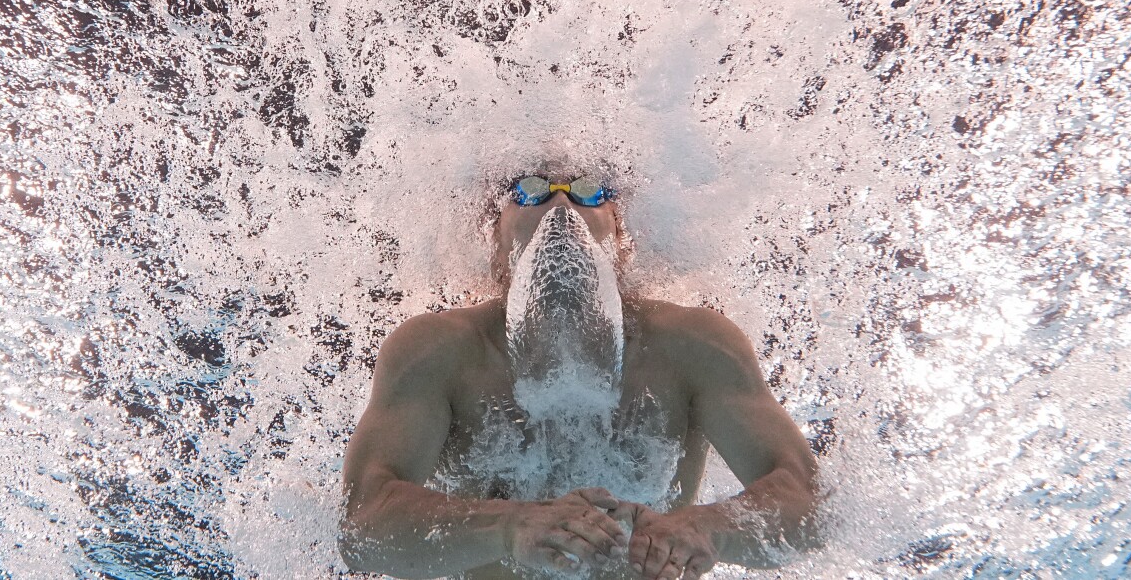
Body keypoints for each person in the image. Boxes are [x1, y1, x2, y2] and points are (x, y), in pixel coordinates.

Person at [339, 173, 819, 580]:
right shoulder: (438, 353)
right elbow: (362, 526)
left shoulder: (693, 347)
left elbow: (809, 500)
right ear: (497, 249)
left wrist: (708, 529)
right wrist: (510, 527)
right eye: (530, 188)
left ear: (621, 246)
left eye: (591, 189)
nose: (562, 201)